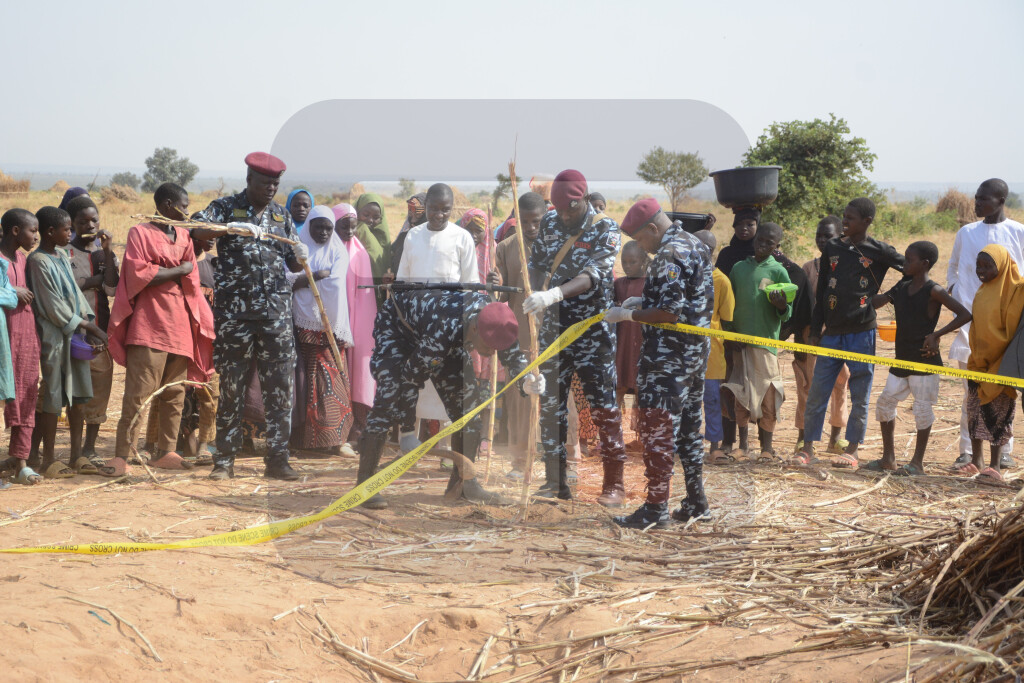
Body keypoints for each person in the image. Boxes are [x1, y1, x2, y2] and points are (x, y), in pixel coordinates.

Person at [355, 292, 544, 508]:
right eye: (489, 347)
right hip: (399, 328)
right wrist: (407, 431)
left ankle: (465, 485)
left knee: (469, 408)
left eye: (496, 348)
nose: (492, 353)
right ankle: (365, 485)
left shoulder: (497, 319)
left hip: (446, 332)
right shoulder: (442, 334)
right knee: (389, 397)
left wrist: (526, 381)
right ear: (475, 330)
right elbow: (410, 378)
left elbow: (512, 355)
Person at [190, 151, 309, 481]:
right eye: (265, 182)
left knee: (279, 390)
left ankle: (277, 460)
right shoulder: (226, 207)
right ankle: (224, 460)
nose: (271, 188)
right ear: (249, 180)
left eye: (275, 183)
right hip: (235, 316)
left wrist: (300, 255)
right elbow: (197, 231)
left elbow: (293, 263)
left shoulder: (281, 216)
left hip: (276, 316)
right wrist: (227, 228)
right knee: (231, 388)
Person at [606, 198, 713, 528]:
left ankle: (655, 511)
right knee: (689, 434)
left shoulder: (669, 253)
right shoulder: (693, 242)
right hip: (694, 358)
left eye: (640, 239)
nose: (641, 247)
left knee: (659, 434)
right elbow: (685, 299)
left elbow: (669, 313)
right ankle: (697, 503)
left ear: (653, 228)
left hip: (669, 360)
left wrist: (629, 314)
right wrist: (645, 300)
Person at [523, 169, 628, 505]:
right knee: (551, 408)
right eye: (560, 209)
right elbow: (537, 263)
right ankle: (555, 482)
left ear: (583, 198)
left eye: (570, 209)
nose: (565, 216)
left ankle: (614, 485)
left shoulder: (605, 228)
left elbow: (593, 275)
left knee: (603, 409)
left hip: (592, 332)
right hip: (554, 330)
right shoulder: (551, 223)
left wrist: (553, 294)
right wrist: (537, 288)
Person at [107, 183, 215, 475]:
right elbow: (136, 273)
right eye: (184, 205)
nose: (187, 211)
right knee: (137, 394)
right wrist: (176, 271)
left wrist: (168, 272)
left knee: (175, 393)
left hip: (179, 324)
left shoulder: (183, 236)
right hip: (149, 324)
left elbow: (191, 276)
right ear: (168, 205)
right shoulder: (139, 233)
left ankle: (166, 451)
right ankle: (122, 455)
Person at [796, 198, 904, 468]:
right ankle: (807, 448)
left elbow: (912, 269)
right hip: (831, 333)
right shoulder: (832, 247)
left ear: (867, 222)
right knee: (819, 392)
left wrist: (888, 296)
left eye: (851, 218)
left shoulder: (878, 250)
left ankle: (852, 450)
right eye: (844, 216)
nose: (845, 221)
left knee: (859, 393)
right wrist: (815, 329)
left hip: (861, 332)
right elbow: (821, 292)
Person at [861, 241, 971, 476]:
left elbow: (964, 314)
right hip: (902, 358)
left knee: (922, 410)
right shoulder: (903, 286)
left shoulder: (934, 290)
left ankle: (917, 463)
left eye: (909, 260)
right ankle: (888, 458)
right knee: (885, 403)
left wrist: (937, 334)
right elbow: (877, 303)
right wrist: (881, 293)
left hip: (924, 359)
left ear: (924, 264)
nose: (904, 264)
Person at [946, 179, 1024, 470]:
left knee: (1004, 391)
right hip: (970, 323)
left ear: (1001, 199)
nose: (977, 204)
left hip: (1007, 329)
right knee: (972, 391)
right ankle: (968, 450)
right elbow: (953, 266)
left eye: (984, 199)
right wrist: (955, 290)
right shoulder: (966, 233)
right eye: (976, 198)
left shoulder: (1018, 232)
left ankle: (1003, 451)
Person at [395, 184, 479, 453]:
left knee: (451, 393)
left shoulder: (462, 237)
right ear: (426, 207)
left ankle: (447, 451)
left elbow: (470, 285)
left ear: (451, 209)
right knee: (412, 385)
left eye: (445, 210)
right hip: (415, 325)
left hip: (449, 327)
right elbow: (402, 281)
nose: (439, 215)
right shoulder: (413, 236)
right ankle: (408, 444)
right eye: (433, 209)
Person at [28, 207, 107, 479]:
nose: (70, 234)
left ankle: (76, 455)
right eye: (67, 230)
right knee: (53, 394)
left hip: (75, 336)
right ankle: (48, 459)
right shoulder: (38, 261)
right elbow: (52, 306)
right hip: (55, 337)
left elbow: (75, 294)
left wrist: (88, 325)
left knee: (79, 395)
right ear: (51, 232)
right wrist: (87, 325)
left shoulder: (61, 255)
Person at [722, 223, 792, 461]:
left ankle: (767, 448)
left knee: (769, 394)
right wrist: (730, 335)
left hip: (766, 344)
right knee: (741, 393)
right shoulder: (739, 268)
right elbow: (729, 305)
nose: (763, 245)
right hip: (740, 343)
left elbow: (787, 313)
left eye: (769, 243)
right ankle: (742, 446)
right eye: (760, 240)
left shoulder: (779, 272)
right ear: (754, 240)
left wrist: (782, 306)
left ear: (777, 246)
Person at [288, 206, 354, 451]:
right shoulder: (298, 250)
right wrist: (313, 276)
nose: (324, 232)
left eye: (329, 228)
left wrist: (305, 281)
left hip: (329, 329)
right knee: (303, 382)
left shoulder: (338, 251)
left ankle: (333, 440)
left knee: (330, 381)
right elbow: (287, 279)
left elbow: (335, 284)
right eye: (319, 227)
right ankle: (300, 441)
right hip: (301, 326)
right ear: (309, 227)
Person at [491, 192, 546, 480]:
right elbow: (502, 296)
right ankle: (520, 461)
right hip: (521, 337)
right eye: (524, 222)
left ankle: (566, 461)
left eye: (536, 221)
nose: (531, 227)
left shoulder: (559, 246)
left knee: (557, 398)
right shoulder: (507, 247)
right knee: (520, 398)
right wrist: (495, 285)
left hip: (552, 335)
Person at [63, 195, 119, 464]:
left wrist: (107, 252)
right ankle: (74, 449)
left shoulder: (103, 254)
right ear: (72, 223)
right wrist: (89, 281)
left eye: (94, 219)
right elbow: (69, 286)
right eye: (83, 221)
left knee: (99, 390)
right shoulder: (64, 252)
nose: (90, 225)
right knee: (75, 394)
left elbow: (111, 289)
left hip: (99, 332)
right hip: (72, 334)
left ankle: (90, 448)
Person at [963, 246, 1024, 483]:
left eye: (988, 266)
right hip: (979, 361)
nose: (981, 271)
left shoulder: (1017, 290)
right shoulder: (982, 291)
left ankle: (995, 466)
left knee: (998, 414)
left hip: (1004, 361)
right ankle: (977, 460)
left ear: (1003, 265)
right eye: (979, 265)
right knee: (974, 411)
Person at [795, 216, 850, 454]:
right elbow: (801, 306)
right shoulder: (809, 268)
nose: (822, 240)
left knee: (841, 383)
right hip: (811, 336)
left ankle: (836, 438)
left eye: (828, 236)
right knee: (807, 385)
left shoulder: (849, 267)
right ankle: (803, 437)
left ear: (841, 236)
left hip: (839, 335)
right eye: (819, 236)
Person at [0, 209, 42, 484]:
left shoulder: (23, 259)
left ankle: (21, 461)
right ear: (15, 230)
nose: (36, 236)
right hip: (4, 337)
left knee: (27, 392)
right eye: (32, 230)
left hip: (25, 336)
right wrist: (12, 292)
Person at [715, 207, 759, 456]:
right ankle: (727, 441)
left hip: (752, 331)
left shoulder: (761, 255)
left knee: (749, 387)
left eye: (750, 224)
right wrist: (727, 332)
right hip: (726, 331)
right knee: (727, 387)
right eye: (739, 224)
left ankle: (745, 443)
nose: (744, 228)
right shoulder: (727, 255)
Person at [335, 203, 377, 444]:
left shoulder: (360, 253)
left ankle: (357, 428)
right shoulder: (326, 248)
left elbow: (366, 298)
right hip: (330, 321)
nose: (349, 233)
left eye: (353, 228)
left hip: (357, 323)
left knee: (358, 371)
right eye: (344, 227)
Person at [693, 230, 735, 463]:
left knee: (711, 398)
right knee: (688, 399)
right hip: (686, 349)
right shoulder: (685, 275)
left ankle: (715, 447)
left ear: (711, 252)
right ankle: (687, 443)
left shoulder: (722, 281)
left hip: (712, 350)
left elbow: (726, 317)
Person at [613, 241, 648, 428]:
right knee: (618, 386)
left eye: (632, 262)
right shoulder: (618, 285)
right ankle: (613, 433)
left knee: (641, 388)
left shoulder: (650, 285)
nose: (627, 266)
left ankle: (641, 433)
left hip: (642, 345)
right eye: (624, 262)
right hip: (622, 345)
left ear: (643, 261)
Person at [354, 192, 393, 297]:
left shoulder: (382, 236)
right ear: (357, 211)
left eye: (376, 217)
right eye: (366, 215)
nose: (370, 220)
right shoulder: (353, 231)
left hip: (379, 291)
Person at [390, 192, 427, 274]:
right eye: (410, 214)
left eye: (417, 215)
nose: (413, 220)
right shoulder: (405, 233)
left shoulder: (429, 239)